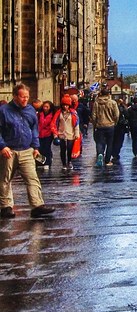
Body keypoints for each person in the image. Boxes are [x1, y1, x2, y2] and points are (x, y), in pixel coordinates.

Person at [0, 83, 54, 218]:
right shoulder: (4, 110)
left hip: (26, 149)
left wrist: (36, 147)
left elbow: (34, 129)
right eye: (22, 97)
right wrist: (2, 146)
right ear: (15, 96)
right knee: (5, 179)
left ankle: (37, 205)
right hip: (9, 150)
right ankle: (6, 206)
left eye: (27, 97)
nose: (25, 99)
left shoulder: (30, 110)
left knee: (32, 178)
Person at [91, 88, 120, 166]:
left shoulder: (96, 103)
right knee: (110, 143)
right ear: (108, 94)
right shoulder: (112, 103)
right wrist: (115, 122)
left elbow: (93, 116)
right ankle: (107, 161)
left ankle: (100, 154)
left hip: (99, 125)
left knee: (99, 142)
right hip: (110, 125)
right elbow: (117, 115)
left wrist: (95, 124)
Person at [53, 96, 79, 172]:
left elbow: (76, 124)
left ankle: (69, 162)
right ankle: (64, 163)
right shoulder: (58, 113)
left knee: (70, 149)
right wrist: (55, 134)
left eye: (67, 105)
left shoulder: (73, 113)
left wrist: (76, 133)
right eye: (64, 105)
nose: (65, 106)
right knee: (63, 150)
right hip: (61, 134)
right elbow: (55, 123)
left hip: (71, 133)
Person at [37, 100, 55, 169]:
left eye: (47, 107)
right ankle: (41, 162)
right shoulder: (39, 114)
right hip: (40, 133)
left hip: (48, 134)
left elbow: (53, 124)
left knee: (46, 148)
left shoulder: (53, 114)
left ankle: (47, 162)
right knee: (39, 148)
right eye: (44, 106)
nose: (45, 108)